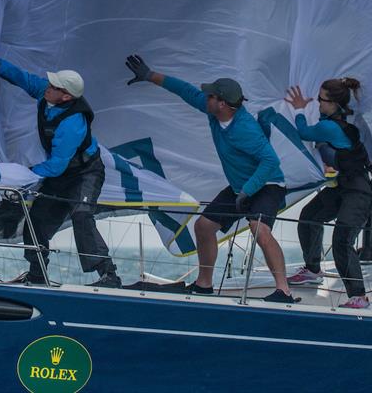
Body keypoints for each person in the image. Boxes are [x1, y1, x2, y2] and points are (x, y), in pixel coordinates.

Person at [125, 54, 295, 303]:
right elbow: (185, 91)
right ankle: (204, 285)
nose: (206, 98)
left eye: (211, 96)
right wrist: (150, 75)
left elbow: (271, 162)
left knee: (260, 230)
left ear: (223, 103)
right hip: (241, 186)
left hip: (267, 185)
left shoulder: (245, 129)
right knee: (203, 226)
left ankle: (284, 291)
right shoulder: (213, 112)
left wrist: (248, 190)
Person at [0, 58, 120, 288]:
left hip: (85, 174)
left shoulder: (73, 123)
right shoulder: (49, 94)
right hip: (61, 177)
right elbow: (26, 80)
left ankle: (109, 274)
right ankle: (37, 273)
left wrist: (26, 174)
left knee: (81, 214)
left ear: (66, 97)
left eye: (53, 86)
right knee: (36, 220)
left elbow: (55, 166)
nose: (47, 87)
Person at [284, 78, 372, 309]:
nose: (318, 103)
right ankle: (313, 269)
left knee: (342, 239)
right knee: (309, 217)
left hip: (359, 191)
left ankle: (359, 296)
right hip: (341, 187)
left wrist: (298, 109)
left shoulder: (331, 126)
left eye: (321, 100)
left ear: (334, 102)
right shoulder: (341, 119)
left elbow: (304, 131)